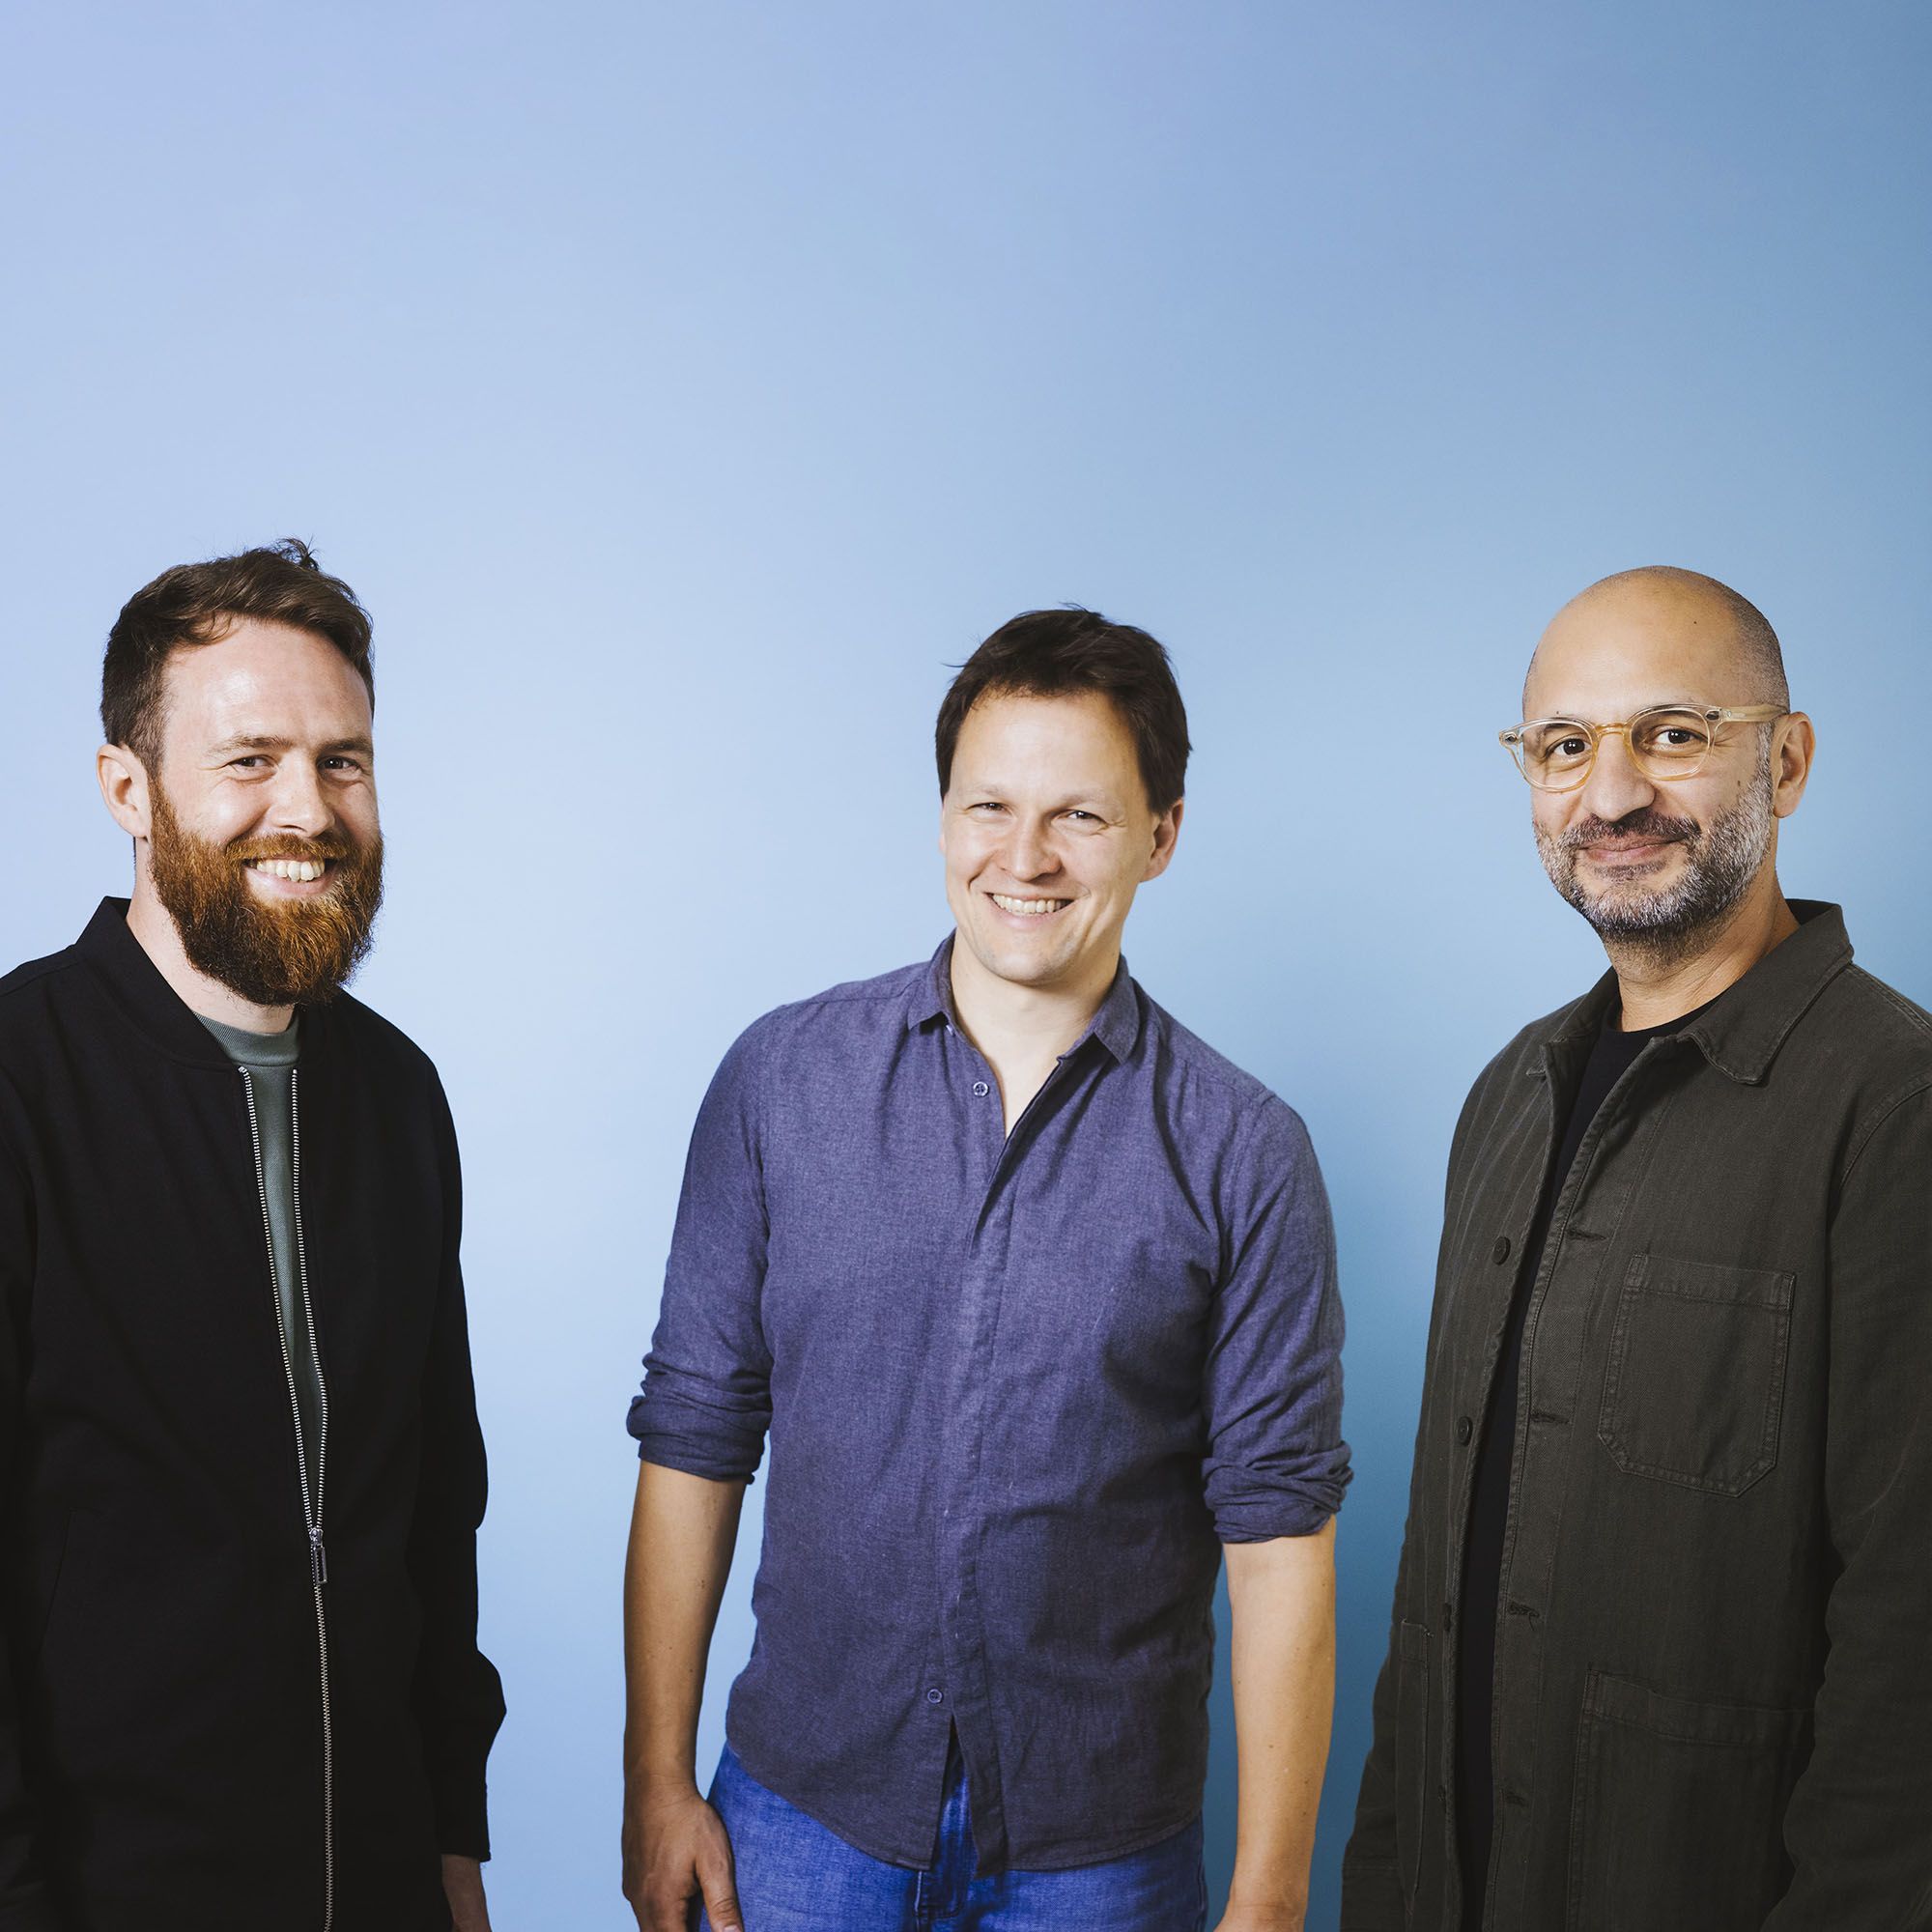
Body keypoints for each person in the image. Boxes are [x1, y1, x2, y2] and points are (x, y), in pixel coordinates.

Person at [621, 609, 1350, 1932]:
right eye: (989, 806)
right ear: (944, 816)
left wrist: (1271, 1898)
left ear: (1160, 835)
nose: (1024, 857)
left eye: (1079, 815)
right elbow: (692, 1438)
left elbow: (1281, 1535)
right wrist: (655, 1782)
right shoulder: (781, 1082)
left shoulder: (1246, 1151)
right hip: (799, 1820)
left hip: (1100, 1859)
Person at [1341, 567, 1932, 1931]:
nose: (1609, 796)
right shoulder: (1505, 1097)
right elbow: (1433, 1591)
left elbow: (1911, 1644)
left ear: (1783, 758)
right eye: (1564, 747)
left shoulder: (1894, 1110)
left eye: (1671, 733)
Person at [0, 542, 505, 1931]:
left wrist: (450, 1842)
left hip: (388, 1882)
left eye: (344, 760)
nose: (310, 808)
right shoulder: (21, 1080)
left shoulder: (399, 1093)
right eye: (251, 760)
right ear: (127, 788)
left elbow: (433, 1513)